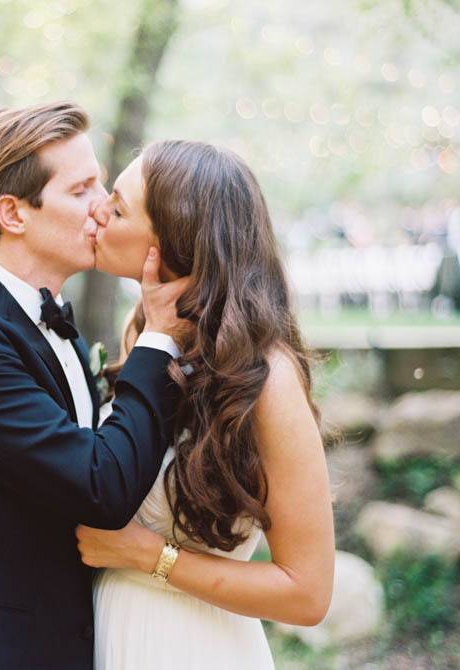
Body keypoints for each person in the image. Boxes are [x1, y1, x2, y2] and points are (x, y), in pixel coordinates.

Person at [0, 102, 189, 670]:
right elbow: (102, 487)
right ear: (13, 213)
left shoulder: (55, 330)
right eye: (81, 190)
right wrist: (159, 341)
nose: (104, 207)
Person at [76, 140, 335, 669]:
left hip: (192, 646)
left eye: (119, 207)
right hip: (108, 636)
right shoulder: (143, 336)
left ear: (174, 242)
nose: (97, 210)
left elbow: (307, 594)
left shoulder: (265, 378)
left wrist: (148, 556)